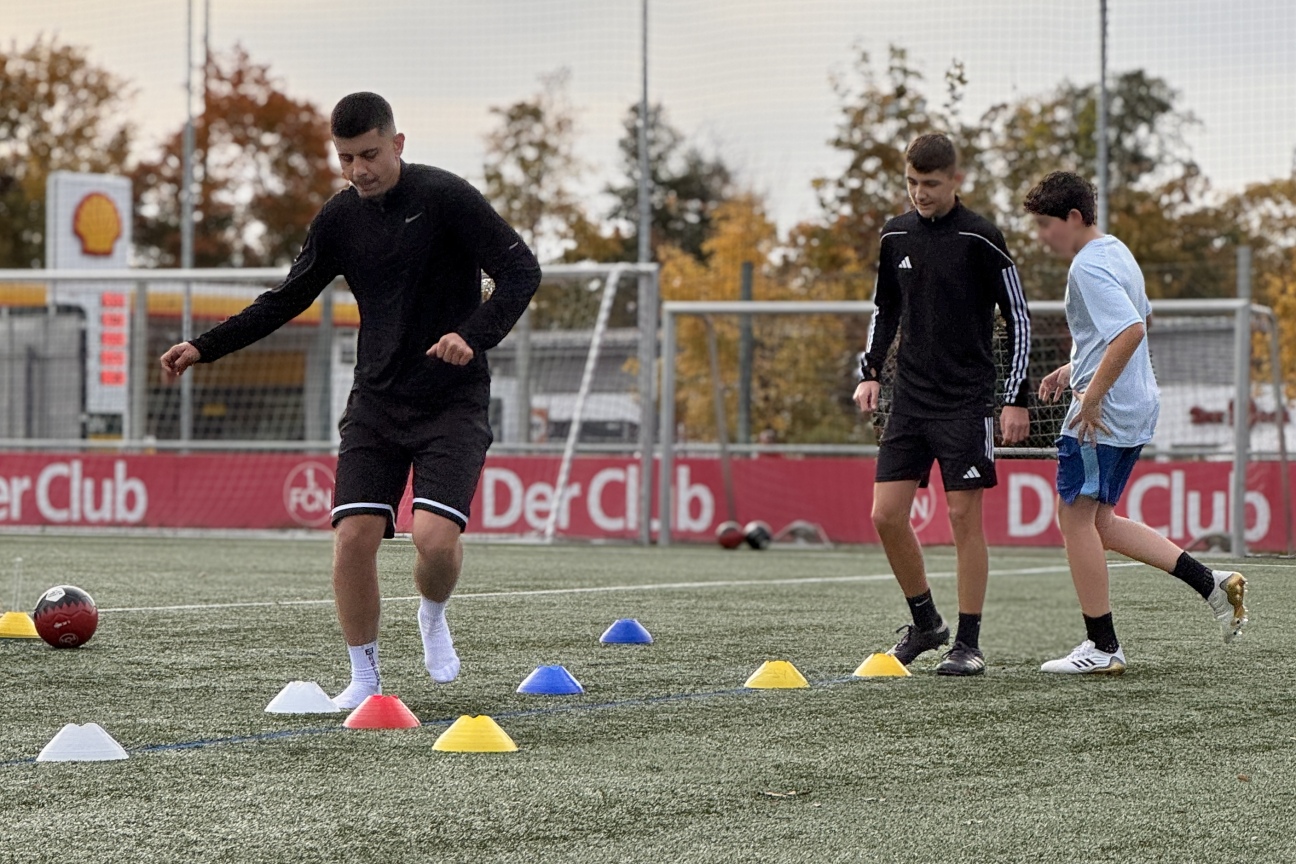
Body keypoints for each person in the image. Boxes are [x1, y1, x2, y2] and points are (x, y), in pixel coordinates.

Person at [160, 92, 541, 707]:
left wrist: (471, 337)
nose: (358, 170)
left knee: (435, 542)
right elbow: (285, 298)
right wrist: (205, 346)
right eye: (345, 159)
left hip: (452, 401)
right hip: (376, 404)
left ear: (397, 143)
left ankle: (432, 614)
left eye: (369, 154)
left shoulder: (446, 197)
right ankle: (365, 680)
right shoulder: (339, 220)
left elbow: (523, 273)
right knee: (353, 538)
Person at [1023, 171, 1246, 674]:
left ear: (1074, 217)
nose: (1041, 236)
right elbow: (1135, 320)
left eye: (1044, 224)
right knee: (1100, 523)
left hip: (1103, 415)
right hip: (1137, 406)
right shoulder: (1116, 250)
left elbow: (1130, 329)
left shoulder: (1086, 266)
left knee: (1074, 520)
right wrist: (1072, 370)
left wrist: (1093, 392)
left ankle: (1102, 648)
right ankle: (1211, 583)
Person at [854, 133, 1033, 676]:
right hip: (910, 398)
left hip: (966, 402)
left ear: (956, 179)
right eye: (911, 182)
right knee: (885, 516)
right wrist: (872, 372)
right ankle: (927, 623)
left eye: (929, 184)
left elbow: (1019, 318)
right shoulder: (895, 235)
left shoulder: (982, 238)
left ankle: (969, 643)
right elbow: (885, 309)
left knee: (962, 518)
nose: (919, 194)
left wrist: (1013, 399)